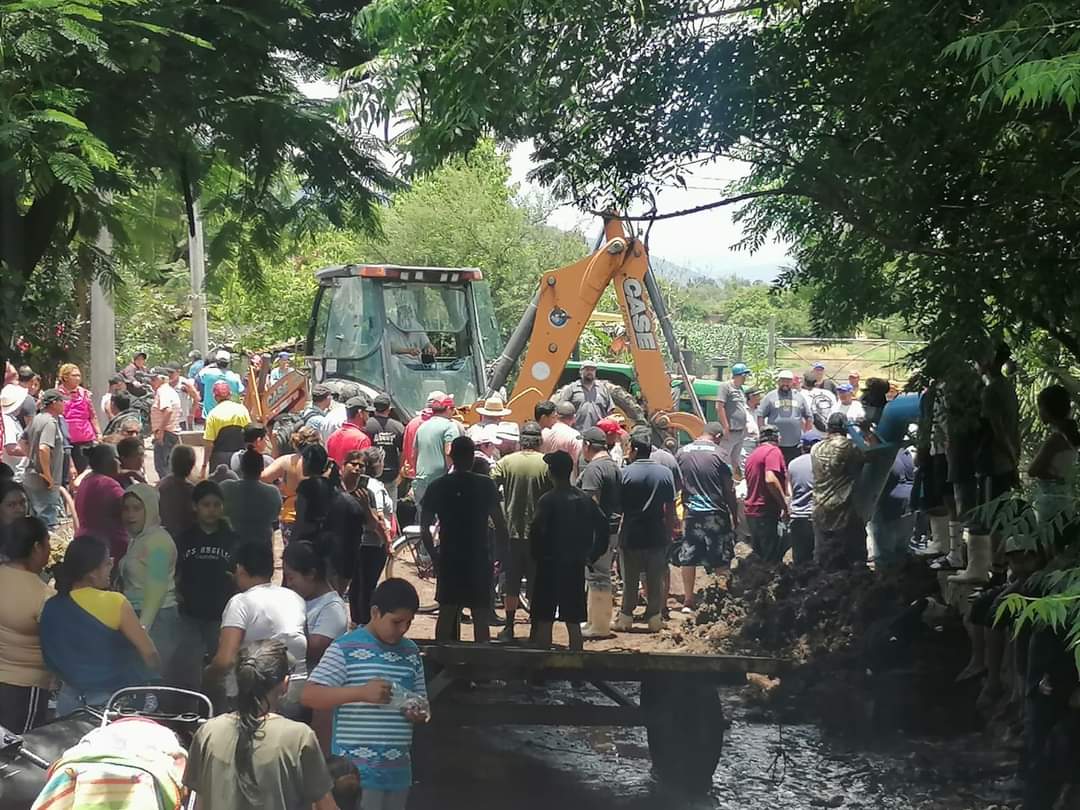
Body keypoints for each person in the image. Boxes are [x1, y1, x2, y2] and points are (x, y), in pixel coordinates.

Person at [303, 578, 429, 810]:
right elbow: (310, 695)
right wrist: (360, 693)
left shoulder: (411, 653)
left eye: (409, 623)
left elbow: (422, 703)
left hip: (398, 773)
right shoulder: (346, 648)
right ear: (375, 613)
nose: (402, 629)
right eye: (396, 621)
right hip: (356, 775)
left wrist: (418, 713)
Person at [183, 639, 339, 810]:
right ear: (285, 685)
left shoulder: (208, 732)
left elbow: (199, 802)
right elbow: (327, 807)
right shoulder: (300, 737)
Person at [40, 535, 160, 713]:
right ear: (91, 573)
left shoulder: (51, 606)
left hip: (68, 701)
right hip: (112, 702)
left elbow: (50, 659)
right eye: (107, 563)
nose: (112, 565)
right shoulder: (114, 602)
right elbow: (149, 653)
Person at [421, 436, 509, 643]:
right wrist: (501, 555)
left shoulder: (438, 485)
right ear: (472, 458)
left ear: (451, 457)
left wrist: (434, 555)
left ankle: (442, 660)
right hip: (478, 556)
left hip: (449, 556)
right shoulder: (485, 485)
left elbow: (425, 526)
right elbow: (501, 525)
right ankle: (480, 668)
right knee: (480, 615)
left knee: (447, 611)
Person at [205, 542, 307, 714]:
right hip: (294, 688)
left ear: (239, 569)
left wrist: (207, 677)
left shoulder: (241, 602)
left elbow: (225, 660)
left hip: (252, 695)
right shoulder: (294, 598)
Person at [529, 451, 608, 650]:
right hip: (574, 565)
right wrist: (593, 554)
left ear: (550, 473)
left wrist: (536, 557)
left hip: (548, 565)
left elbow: (536, 532)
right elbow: (603, 526)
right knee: (573, 620)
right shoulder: (583, 499)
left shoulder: (547, 500)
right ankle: (576, 672)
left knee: (545, 618)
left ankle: (542, 670)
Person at [490, 422, 551, 642]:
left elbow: (490, 488)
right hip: (539, 534)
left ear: (521, 440)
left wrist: (498, 513)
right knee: (536, 584)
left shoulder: (506, 462)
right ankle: (535, 629)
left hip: (510, 532)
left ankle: (509, 626)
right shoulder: (546, 464)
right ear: (539, 441)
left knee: (511, 582)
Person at [174, 480, 239, 690]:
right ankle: (188, 714)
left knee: (221, 670)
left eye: (216, 505)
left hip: (221, 615)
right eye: (206, 505)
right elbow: (172, 572)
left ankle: (220, 711)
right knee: (189, 669)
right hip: (190, 614)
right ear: (195, 507)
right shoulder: (184, 538)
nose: (211, 510)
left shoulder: (232, 539)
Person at [613, 428, 676, 634]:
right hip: (656, 533)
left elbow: (618, 507)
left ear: (634, 449)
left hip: (631, 533)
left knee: (630, 579)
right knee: (655, 577)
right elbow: (670, 509)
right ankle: (654, 618)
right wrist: (669, 532)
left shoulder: (625, 474)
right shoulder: (665, 473)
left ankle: (626, 617)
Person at [672, 422, 739, 612]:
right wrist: (734, 514)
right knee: (721, 557)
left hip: (692, 513)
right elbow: (729, 489)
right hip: (715, 513)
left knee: (689, 556)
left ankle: (688, 600)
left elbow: (677, 483)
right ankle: (722, 598)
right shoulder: (720, 454)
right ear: (717, 436)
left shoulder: (682, 452)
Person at [120, 483, 180, 676]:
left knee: (151, 677)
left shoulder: (159, 542)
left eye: (137, 509)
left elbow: (157, 588)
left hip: (156, 616)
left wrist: (141, 630)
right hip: (137, 614)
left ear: (150, 509)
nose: (130, 515)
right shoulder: (138, 539)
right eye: (126, 508)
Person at [0, 517, 54, 732]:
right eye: (47, 543)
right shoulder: (44, 596)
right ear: (36, 547)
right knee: (20, 755)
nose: (49, 550)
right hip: (26, 687)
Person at [579, 426, 623, 639]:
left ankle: (597, 625)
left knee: (596, 575)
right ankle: (599, 621)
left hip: (598, 530)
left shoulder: (594, 469)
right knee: (603, 575)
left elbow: (591, 504)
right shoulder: (613, 466)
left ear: (587, 445)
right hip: (612, 528)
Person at [812, 412, 867, 570]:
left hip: (819, 508)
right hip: (843, 511)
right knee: (852, 560)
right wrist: (864, 432)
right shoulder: (848, 446)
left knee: (824, 559)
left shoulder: (816, 447)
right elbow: (871, 455)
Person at [1027, 384, 1080, 548]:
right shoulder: (1069, 436)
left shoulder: (1055, 439)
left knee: (1049, 548)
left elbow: (1032, 470)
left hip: (1050, 501)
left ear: (1048, 410)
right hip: (1066, 497)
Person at [346, 448, 393, 625]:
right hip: (369, 543)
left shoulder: (362, 487)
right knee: (363, 588)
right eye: (354, 464)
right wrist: (387, 541)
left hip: (364, 542)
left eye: (361, 465)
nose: (358, 468)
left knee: (360, 587)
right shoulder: (372, 487)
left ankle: (358, 623)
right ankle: (362, 623)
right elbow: (378, 518)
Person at [284, 542, 349, 670]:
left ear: (311, 574)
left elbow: (312, 653)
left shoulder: (332, 609)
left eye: (291, 577)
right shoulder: (300, 598)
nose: (288, 583)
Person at [263, 425, 322, 545]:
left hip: (291, 516)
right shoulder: (322, 462)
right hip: (316, 515)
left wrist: (280, 484)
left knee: (292, 557)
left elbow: (264, 477)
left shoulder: (286, 461)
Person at [74, 443, 127, 561]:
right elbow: (134, 507)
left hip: (85, 542)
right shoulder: (107, 484)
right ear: (108, 462)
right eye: (116, 459)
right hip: (110, 548)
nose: (120, 463)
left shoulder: (87, 480)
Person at [743, 426, 789, 563]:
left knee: (760, 558)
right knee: (771, 560)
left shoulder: (753, 454)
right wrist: (784, 506)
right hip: (765, 512)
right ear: (776, 437)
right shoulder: (773, 451)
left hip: (752, 512)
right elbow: (770, 479)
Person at [22, 389, 67, 530]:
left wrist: (31, 457)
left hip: (31, 477)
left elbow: (23, 441)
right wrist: (47, 475)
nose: (64, 404)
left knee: (35, 521)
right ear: (54, 403)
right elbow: (44, 448)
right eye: (62, 401)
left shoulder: (37, 418)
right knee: (47, 523)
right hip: (44, 481)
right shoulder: (49, 422)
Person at [556, 359, 643, 431]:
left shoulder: (603, 389)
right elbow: (561, 409)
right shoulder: (571, 389)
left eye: (592, 370)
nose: (589, 372)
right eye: (587, 369)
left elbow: (610, 411)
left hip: (598, 432)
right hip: (577, 431)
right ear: (581, 372)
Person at [222, 449, 283, 549]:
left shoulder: (226, 487)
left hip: (233, 544)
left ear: (241, 467)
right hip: (261, 545)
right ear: (262, 468)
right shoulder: (272, 492)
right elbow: (274, 517)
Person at [870, 447, 916, 568]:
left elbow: (891, 477)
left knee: (885, 558)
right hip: (907, 504)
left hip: (889, 507)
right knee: (901, 552)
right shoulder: (905, 452)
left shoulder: (885, 455)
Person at [757, 370, 813, 464]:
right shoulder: (770, 396)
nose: (785, 383)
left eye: (788, 381)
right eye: (783, 380)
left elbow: (808, 416)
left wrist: (806, 435)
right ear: (778, 381)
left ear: (792, 382)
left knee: (792, 467)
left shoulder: (799, 397)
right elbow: (760, 415)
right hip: (775, 443)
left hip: (795, 443)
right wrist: (763, 433)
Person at [412, 393, 458, 504]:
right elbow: (449, 453)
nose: (453, 412)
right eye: (452, 409)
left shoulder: (422, 427)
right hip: (440, 481)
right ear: (447, 409)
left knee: (424, 517)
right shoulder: (450, 426)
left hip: (421, 480)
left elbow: (414, 455)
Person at [55, 363, 99, 475]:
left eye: (79, 375)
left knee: (85, 471)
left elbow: (92, 415)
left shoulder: (84, 394)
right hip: (66, 439)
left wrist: (98, 433)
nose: (78, 378)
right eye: (74, 375)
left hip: (85, 437)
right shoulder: (57, 394)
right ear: (65, 377)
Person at [202, 380, 252, 476]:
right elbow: (249, 434)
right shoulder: (242, 409)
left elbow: (209, 444)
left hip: (219, 459)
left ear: (215, 397)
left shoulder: (213, 414)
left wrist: (204, 464)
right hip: (240, 457)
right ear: (230, 394)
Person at [363, 394, 405, 508]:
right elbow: (402, 452)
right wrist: (400, 473)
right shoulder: (398, 427)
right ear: (389, 409)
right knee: (390, 510)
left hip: (370, 473)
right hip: (391, 474)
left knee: (372, 508)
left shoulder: (366, 426)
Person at [787, 431, 822, 564]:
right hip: (817, 517)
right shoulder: (822, 463)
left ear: (802, 447)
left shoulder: (792, 464)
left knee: (800, 562)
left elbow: (791, 490)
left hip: (797, 517)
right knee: (819, 561)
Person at [715, 363, 752, 470]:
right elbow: (719, 406)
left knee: (736, 459)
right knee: (724, 459)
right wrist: (725, 427)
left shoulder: (740, 389)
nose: (745, 378)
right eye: (744, 375)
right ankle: (723, 482)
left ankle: (735, 483)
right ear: (738, 375)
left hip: (740, 431)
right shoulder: (725, 387)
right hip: (730, 431)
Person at [148, 367, 182, 479]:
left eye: (153, 379)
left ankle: (167, 491)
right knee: (168, 465)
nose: (151, 382)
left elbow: (168, 410)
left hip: (166, 433)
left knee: (162, 466)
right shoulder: (169, 391)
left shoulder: (163, 391)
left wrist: (161, 431)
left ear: (161, 379)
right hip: (170, 432)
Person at [157, 444, 197, 539]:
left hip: (164, 536)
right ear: (191, 465)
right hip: (185, 539)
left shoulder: (161, 485)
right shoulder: (191, 489)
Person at [327, 396, 374, 468]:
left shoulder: (332, 436)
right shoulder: (362, 440)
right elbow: (363, 469)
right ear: (360, 413)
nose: (368, 417)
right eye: (367, 413)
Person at [541, 401, 583, 470]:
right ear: (574, 418)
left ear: (556, 415)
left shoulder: (544, 432)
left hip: (545, 476)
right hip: (568, 478)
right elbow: (579, 460)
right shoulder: (575, 435)